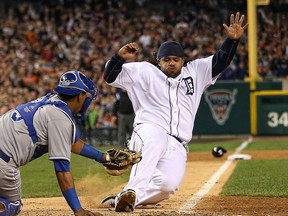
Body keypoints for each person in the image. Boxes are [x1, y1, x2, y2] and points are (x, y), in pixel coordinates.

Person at [101, 12, 248, 212]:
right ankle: (132, 189)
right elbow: (110, 77)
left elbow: (220, 61)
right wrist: (119, 58)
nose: (171, 63)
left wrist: (232, 41)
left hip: (178, 143)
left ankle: (124, 199)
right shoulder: (144, 71)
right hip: (148, 130)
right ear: (158, 61)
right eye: (166, 59)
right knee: (156, 138)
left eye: (176, 59)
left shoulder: (195, 72)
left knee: (167, 186)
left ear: (183, 60)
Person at [0, 70, 111, 216]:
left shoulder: (51, 100)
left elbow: (69, 142)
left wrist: (102, 157)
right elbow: (62, 171)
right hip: (3, 162)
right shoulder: (60, 118)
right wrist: (78, 210)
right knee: (13, 206)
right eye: (87, 96)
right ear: (80, 95)